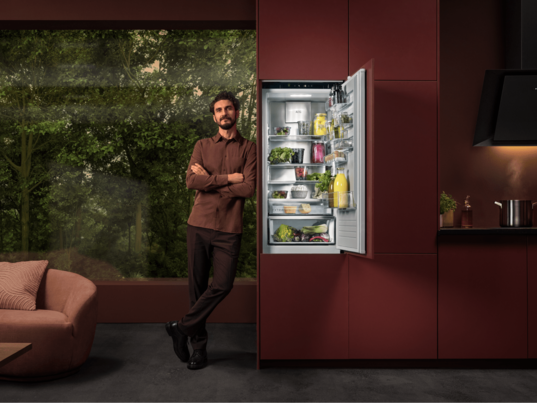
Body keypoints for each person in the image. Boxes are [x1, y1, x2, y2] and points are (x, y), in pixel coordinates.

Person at [165, 91, 257, 370]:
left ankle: (180, 328)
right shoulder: (202, 145)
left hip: (230, 228)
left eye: (228, 108)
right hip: (199, 225)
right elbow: (192, 182)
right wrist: (228, 179)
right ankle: (199, 349)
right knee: (196, 288)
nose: (224, 113)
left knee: (223, 284)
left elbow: (249, 188)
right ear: (214, 116)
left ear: (236, 113)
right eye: (218, 110)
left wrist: (210, 181)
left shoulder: (249, 148)